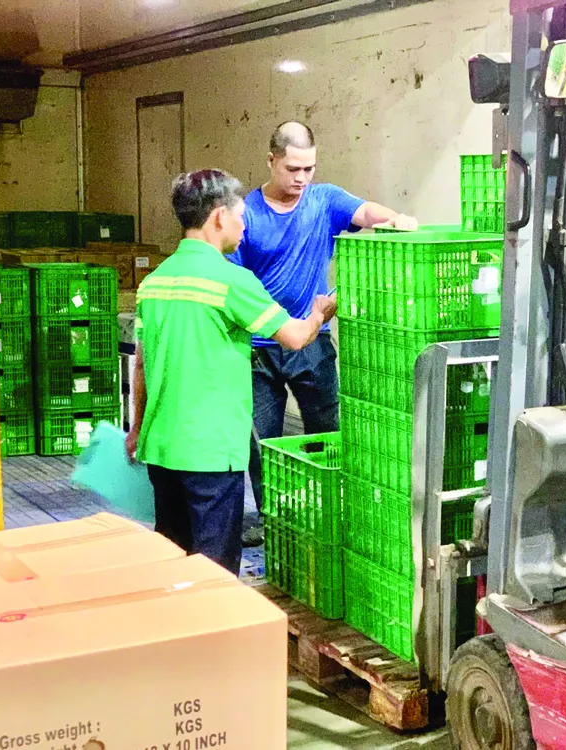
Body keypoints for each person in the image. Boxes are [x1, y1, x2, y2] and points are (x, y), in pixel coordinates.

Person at [127, 169, 337, 575]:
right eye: (242, 216)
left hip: (161, 447)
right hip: (209, 451)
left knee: (173, 562)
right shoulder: (231, 280)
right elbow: (294, 337)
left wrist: (137, 430)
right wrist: (319, 313)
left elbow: (141, 363)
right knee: (214, 573)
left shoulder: (154, 282)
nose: (245, 227)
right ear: (219, 217)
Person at [229, 121, 418, 546]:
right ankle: (275, 520)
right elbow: (235, 285)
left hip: (312, 344)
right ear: (271, 161)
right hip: (260, 349)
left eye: (308, 169)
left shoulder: (324, 200)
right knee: (265, 444)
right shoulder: (248, 216)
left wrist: (395, 219)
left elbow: (365, 211)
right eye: (292, 169)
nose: (300, 179)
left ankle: (333, 511)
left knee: (328, 431)